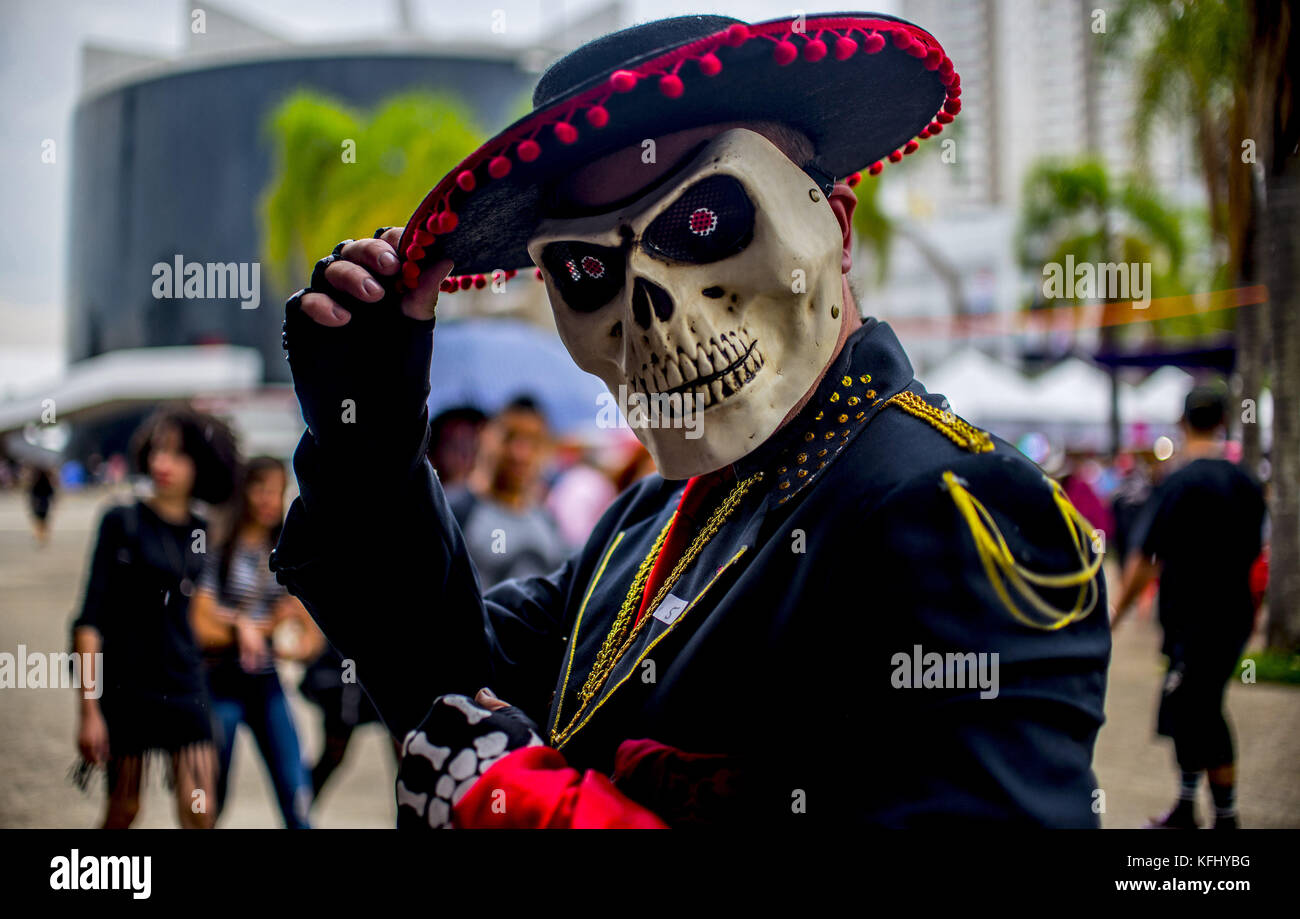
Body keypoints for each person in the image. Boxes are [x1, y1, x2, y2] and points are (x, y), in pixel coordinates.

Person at [273, 12, 1110, 827]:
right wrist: (366, 434)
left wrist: (550, 815)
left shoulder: (955, 508)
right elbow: (451, 687)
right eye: (586, 267)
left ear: (834, 227)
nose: (648, 309)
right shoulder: (647, 526)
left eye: (703, 223)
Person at [70, 404, 238, 828]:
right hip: (128, 688)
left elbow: (197, 603)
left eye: (180, 454)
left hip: (185, 686)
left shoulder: (201, 530)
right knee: (124, 811)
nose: (164, 463)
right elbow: (90, 620)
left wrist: (242, 626)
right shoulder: (120, 521)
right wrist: (89, 710)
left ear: (202, 463)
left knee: (201, 812)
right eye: (159, 450)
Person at [1112, 386, 1267, 829]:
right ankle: (1186, 807)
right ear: (1221, 422)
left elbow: (1144, 560)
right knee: (1192, 706)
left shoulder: (1178, 482)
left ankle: (1224, 816)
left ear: (1182, 423)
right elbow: (1257, 548)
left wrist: (1115, 616)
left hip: (1192, 621)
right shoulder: (1246, 482)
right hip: (1233, 617)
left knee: (1200, 710)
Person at [190, 455, 322, 828]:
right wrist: (254, 627)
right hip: (219, 685)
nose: (269, 500)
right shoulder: (219, 545)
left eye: (277, 491)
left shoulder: (287, 551)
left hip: (267, 684)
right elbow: (200, 625)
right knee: (210, 798)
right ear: (244, 492)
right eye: (261, 489)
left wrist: (278, 638)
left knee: (296, 792)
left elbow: (309, 639)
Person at [446, 396, 567, 587]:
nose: (520, 453)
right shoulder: (455, 511)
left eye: (533, 441)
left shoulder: (546, 521)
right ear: (486, 436)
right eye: (510, 437)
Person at [27, 465, 57, 547]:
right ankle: (42, 536)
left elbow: (31, 495)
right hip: (45, 504)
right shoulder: (47, 482)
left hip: (37, 504)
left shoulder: (35, 483)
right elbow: (52, 494)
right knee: (44, 521)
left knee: (39, 521)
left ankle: (39, 535)